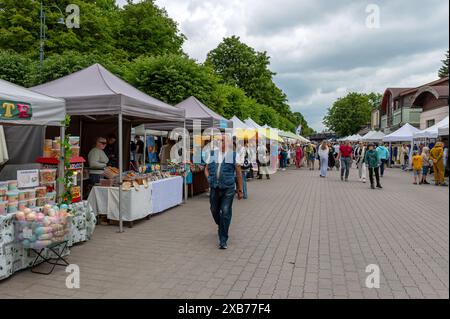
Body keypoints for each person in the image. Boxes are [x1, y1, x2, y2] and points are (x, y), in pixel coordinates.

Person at [204, 134, 243, 249]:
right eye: (219, 140)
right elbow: (206, 169)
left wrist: (240, 190)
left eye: (223, 140)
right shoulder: (213, 154)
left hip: (228, 188)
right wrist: (209, 179)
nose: (220, 142)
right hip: (214, 187)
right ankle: (221, 226)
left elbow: (239, 173)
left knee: (225, 211)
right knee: (214, 209)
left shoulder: (233, 155)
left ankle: (223, 240)